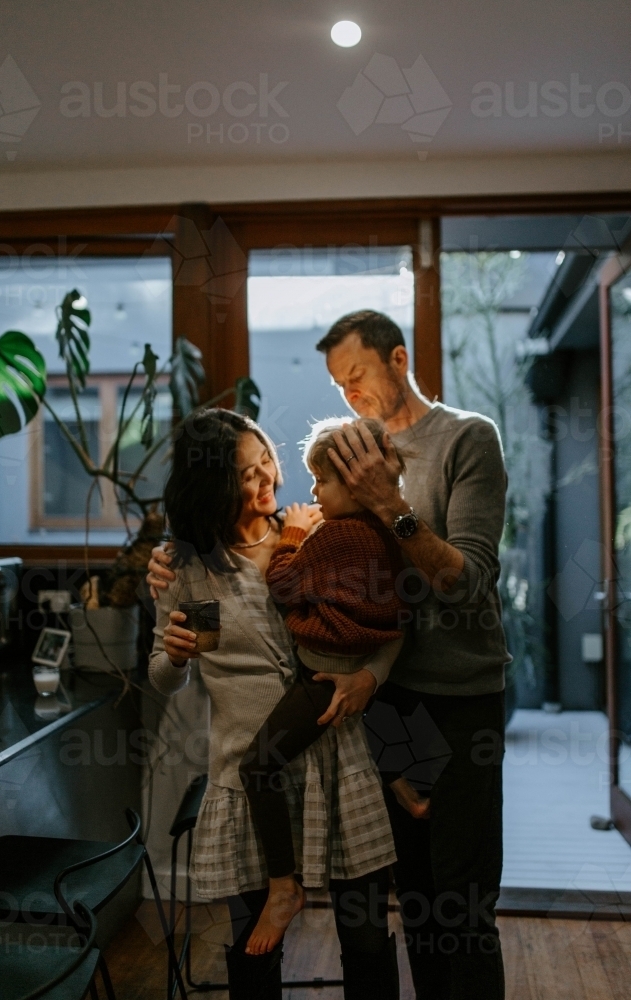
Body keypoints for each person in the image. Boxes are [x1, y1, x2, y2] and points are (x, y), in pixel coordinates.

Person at [148, 310, 510, 1000]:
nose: (348, 394)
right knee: (414, 904)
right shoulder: (331, 465)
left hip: (441, 704)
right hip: (359, 717)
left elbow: (456, 589)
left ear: (397, 360)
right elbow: (253, 591)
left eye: (357, 376)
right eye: (337, 383)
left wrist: (385, 505)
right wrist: (168, 573)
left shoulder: (460, 442)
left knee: (454, 906)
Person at [148, 407, 400, 1000]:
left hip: (337, 763)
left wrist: (370, 677)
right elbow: (163, 678)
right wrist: (176, 656)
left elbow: (384, 625)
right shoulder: (187, 570)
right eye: (248, 474)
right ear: (212, 485)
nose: (270, 480)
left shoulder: (316, 532)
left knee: (366, 938)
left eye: (269, 462)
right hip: (246, 776)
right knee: (254, 954)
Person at [242, 417, 428, 957]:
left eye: (321, 482)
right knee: (365, 726)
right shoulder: (383, 531)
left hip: (321, 673)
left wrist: (295, 534)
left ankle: (284, 885)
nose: (314, 493)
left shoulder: (340, 535)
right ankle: (406, 784)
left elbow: (282, 585)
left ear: (353, 481)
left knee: (258, 764)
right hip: (357, 669)